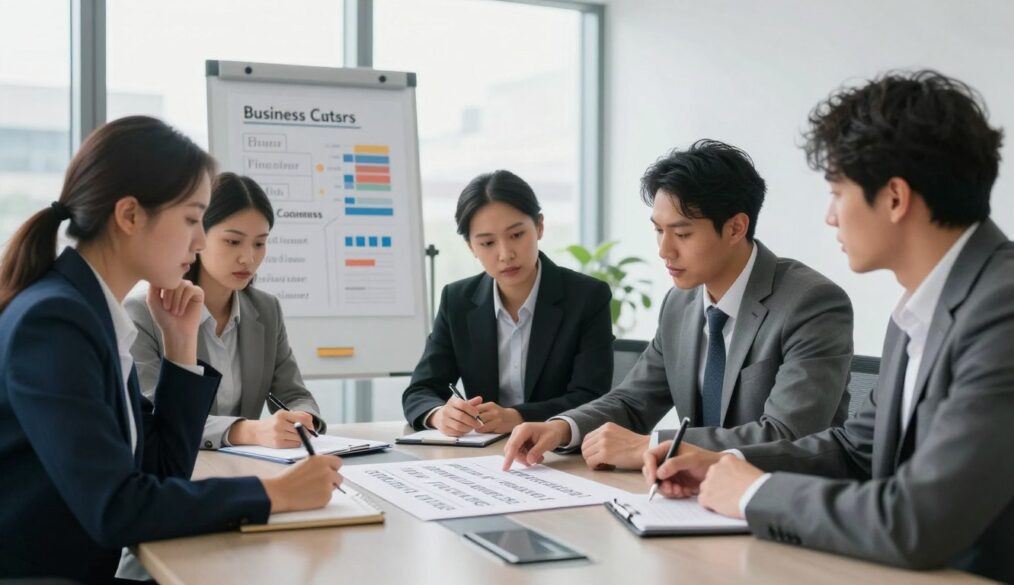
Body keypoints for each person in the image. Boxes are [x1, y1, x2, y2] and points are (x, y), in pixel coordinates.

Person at [643, 71, 1014, 583]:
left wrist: (753, 493)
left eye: (837, 191)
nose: (829, 216)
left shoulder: (1008, 305)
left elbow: (920, 520)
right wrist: (721, 463)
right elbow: (852, 449)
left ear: (894, 198)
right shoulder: (919, 308)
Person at [0, 116, 341, 584]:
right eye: (191, 219)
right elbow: (115, 507)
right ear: (130, 215)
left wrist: (181, 346)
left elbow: (161, 470)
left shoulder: (89, 312)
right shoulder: (55, 321)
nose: (199, 241)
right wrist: (274, 494)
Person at [504, 140, 853, 471]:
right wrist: (563, 429)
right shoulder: (680, 303)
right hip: (694, 497)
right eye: (659, 230)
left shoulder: (811, 303)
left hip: (783, 503)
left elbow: (786, 435)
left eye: (682, 234)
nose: (664, 250)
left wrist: (652, 445)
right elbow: (633, 400)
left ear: (735, 228)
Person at [402, 170, 614, 436]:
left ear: (539, 226)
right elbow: (420, 391)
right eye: (488, 242)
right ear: (471, 247)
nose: (505, 254)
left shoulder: (586, 297)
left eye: (516, 235)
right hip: (483, 456)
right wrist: (440, 415)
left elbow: (591, 398)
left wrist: (517, 417)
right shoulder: (457, 300)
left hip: (559, 454)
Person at [127, 172, 324, 450]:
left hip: (246, 468)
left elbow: (292, 393)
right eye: (233, 241)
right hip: (176, 471)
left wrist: (303, 419)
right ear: (197, 237)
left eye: (259, 243)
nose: (249, 258)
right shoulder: (144, 311)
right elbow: (155, 415)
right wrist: (247, 431)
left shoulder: (266, 309)